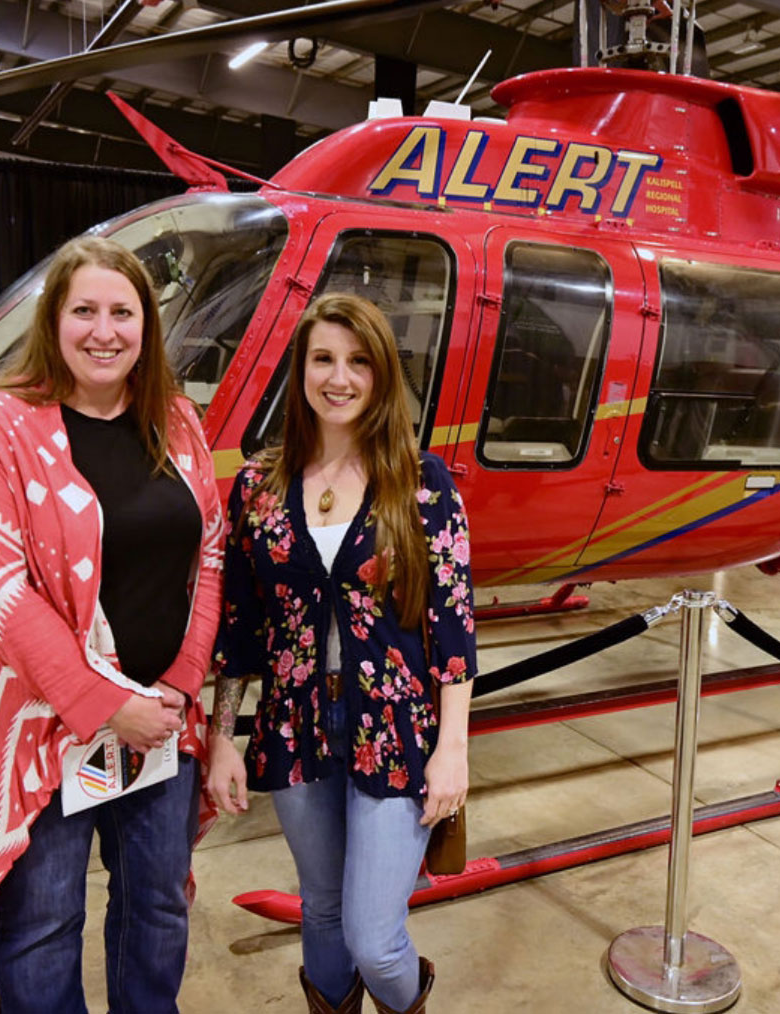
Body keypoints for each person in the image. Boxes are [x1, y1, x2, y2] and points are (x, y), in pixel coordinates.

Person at [0, 236, 224, 1014]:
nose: (105, 331)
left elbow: (209, 555)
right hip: (42, 731)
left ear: (148, 325)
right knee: (41, 923)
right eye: (85, 311)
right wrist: (104, 705)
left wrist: (177, 686)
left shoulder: (176, 420)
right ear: (54, 322)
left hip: (162, 723)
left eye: (123, 312)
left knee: (157, 910)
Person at [206, 293, 476, 1014]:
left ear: (382, 374)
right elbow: (239, 624)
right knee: (321, 911)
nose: (339, 377)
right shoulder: (257, 489)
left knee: (372, 936)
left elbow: (452, 632)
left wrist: (453, 749)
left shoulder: (423, 486)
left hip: (392, 732)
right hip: (293, 730)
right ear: (299, 370)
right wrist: (221, 738)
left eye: (358, 362)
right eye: (323, 359)